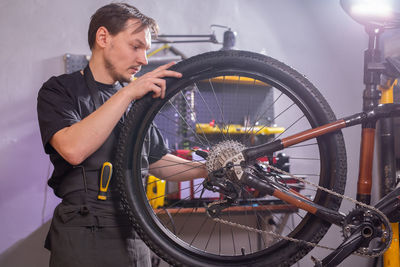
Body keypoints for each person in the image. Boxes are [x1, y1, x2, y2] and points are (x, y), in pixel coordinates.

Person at [37, 3, 207, 266]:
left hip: (135, 232)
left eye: (145, 50)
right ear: (103, 38)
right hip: (83, 234)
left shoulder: (135, 105)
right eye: (135, 46)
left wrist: (209, 168)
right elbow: (73, 149)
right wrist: (126, 93)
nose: (144, 60)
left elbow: (157, 162)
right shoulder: (59, 91)